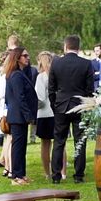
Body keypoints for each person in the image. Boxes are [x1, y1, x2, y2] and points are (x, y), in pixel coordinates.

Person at [49, 35, 94, 184]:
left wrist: (54, 105)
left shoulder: (56, 63)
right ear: (78, 47)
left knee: (59, 141)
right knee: (79, 141)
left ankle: (56, 175)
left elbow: (51, 89)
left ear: (65, 47)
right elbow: (90, 89)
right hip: (80, 105)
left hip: (61, 106)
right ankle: (79, 175)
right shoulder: (86, 64)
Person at [4, 47, 38, 185]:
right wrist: (28, 115)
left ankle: (22, 174)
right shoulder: (16, 75)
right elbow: (20, 97)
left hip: (19, 116)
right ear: (17, 58)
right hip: (18, 116)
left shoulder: (21, 73)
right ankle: (16, 177)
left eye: (28, 55)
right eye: (25, 56)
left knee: (22, 146)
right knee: (18, 147)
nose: (28, 58)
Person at [35, 51, 65, 181]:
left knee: (45, 145)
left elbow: (40, 98)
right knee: (60, 144)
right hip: (58, 112)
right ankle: (63, 172)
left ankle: (48, 173)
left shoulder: (41, 77)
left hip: (44, 114)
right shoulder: (59, 76)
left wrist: (35, 106)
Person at [0, 51, 12, 174]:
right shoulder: (6, 76)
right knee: (10, 138)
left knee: (7, 139)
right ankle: (9, 167)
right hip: (7, 108)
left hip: (1, 108)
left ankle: (5, 164)